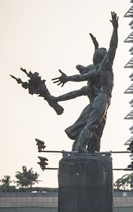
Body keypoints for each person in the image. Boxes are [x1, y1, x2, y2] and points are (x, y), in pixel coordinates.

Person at [50, 12, 119, 153]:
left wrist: (59, 94)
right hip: (103, 99)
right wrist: (115, 29)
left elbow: (76, 88)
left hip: (101, 102)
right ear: (104, 58)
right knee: (92, 125)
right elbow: (113, 47)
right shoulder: (105, 68)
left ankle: (90, 150)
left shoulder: (95, 74)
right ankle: (81, 148)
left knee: (96, 130)